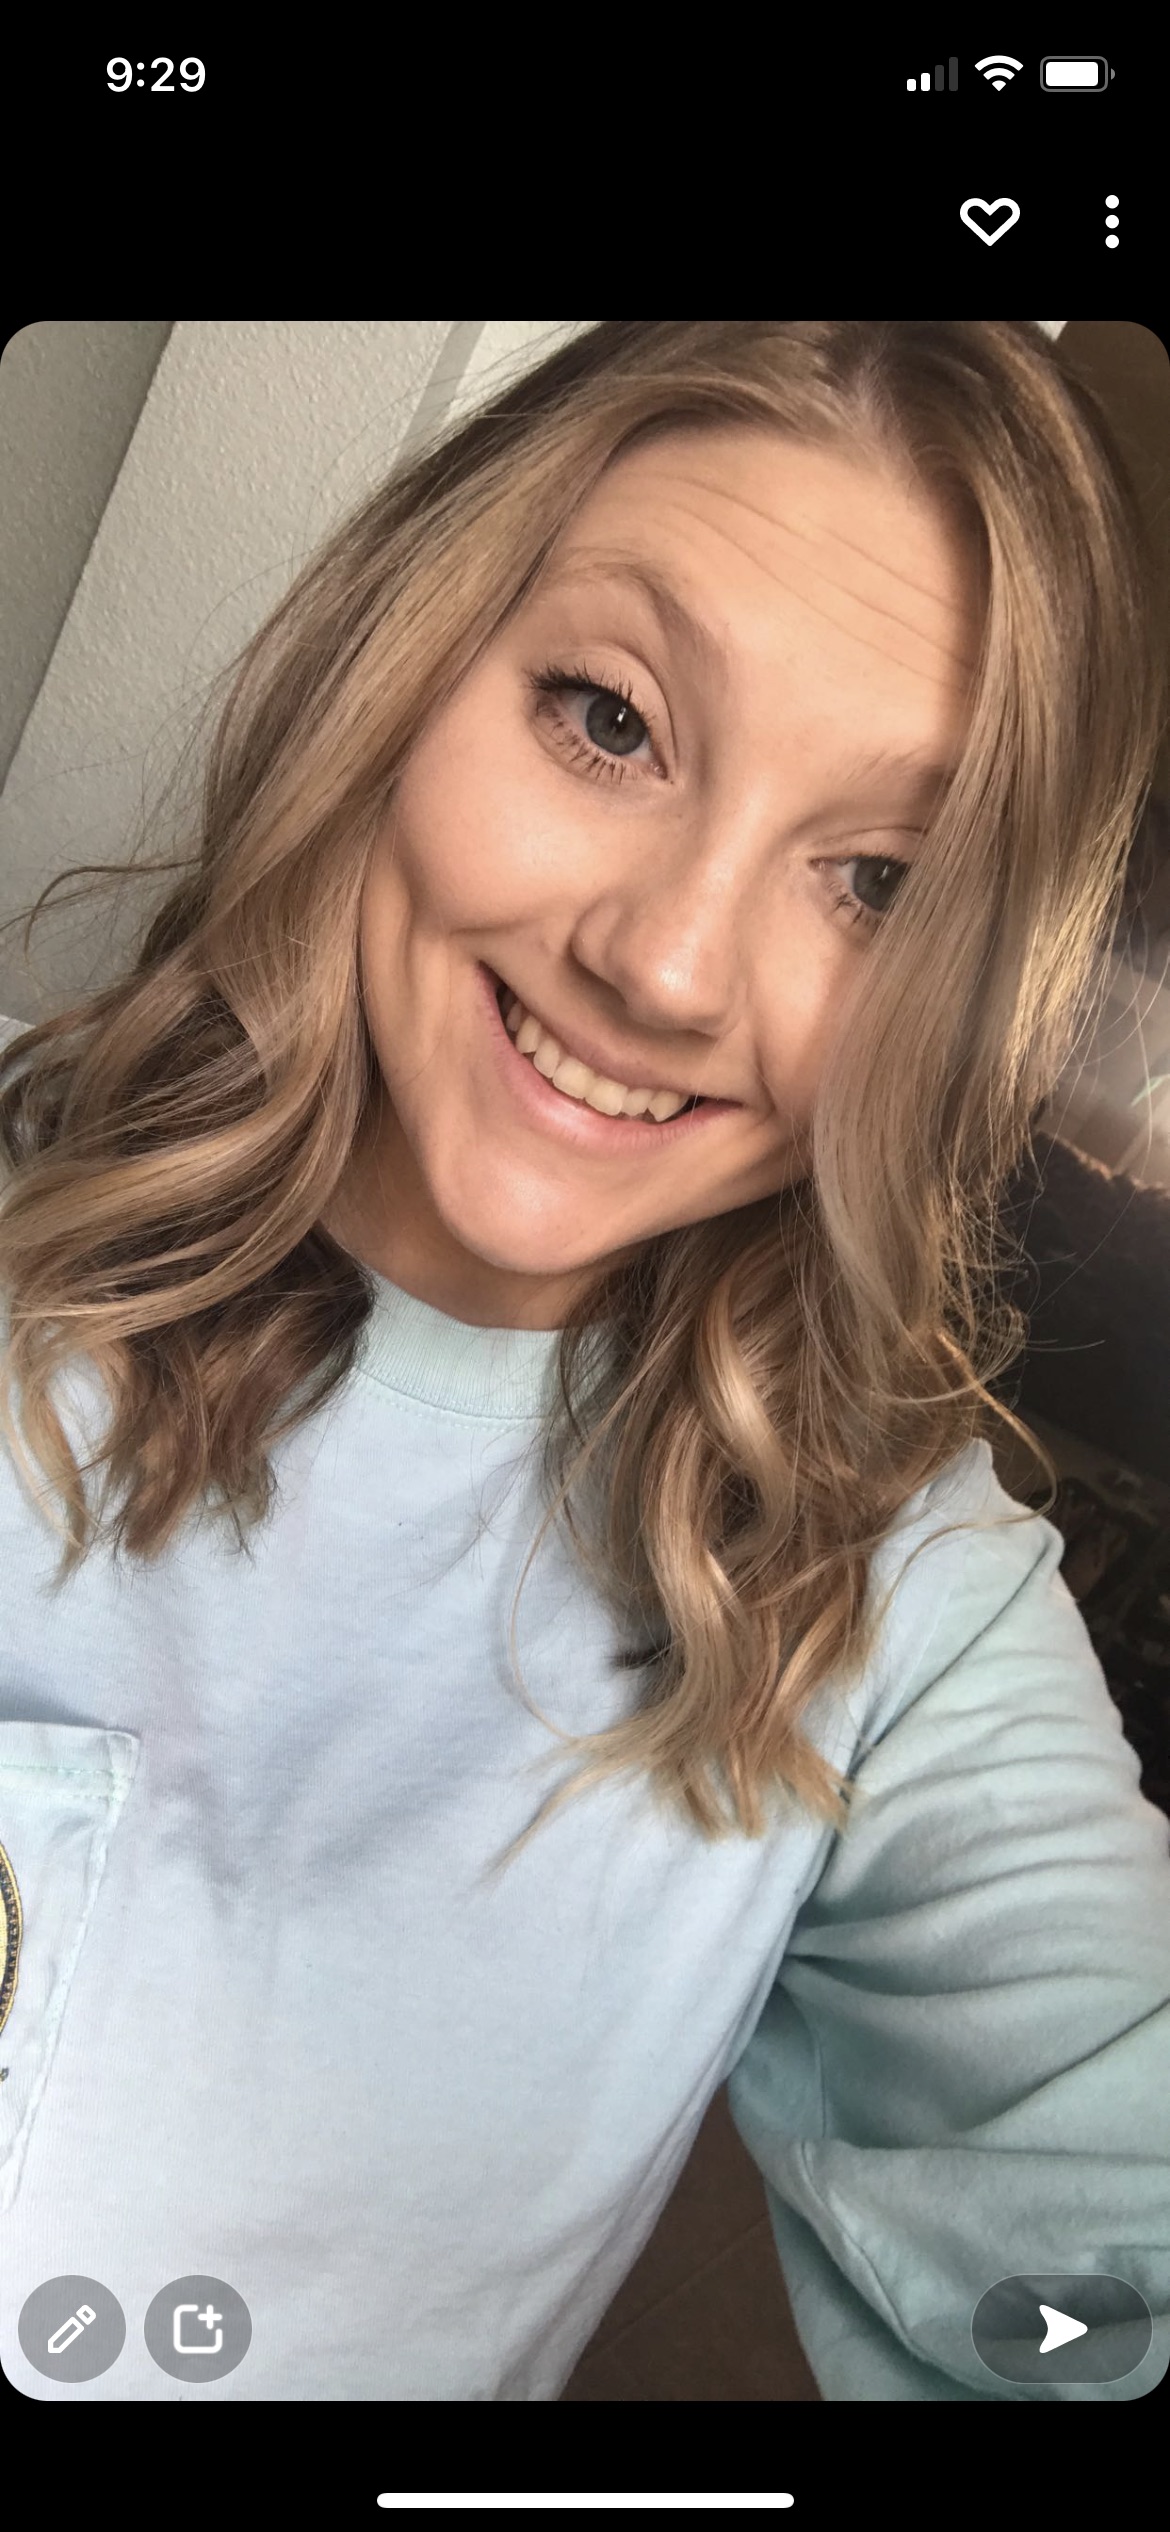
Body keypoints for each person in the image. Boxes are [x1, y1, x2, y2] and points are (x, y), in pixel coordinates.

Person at [0, 320, 1167, 2405]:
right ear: (395, 666)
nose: (669, 966)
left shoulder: (895, 1590)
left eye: (878, 883)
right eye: (609, 721)